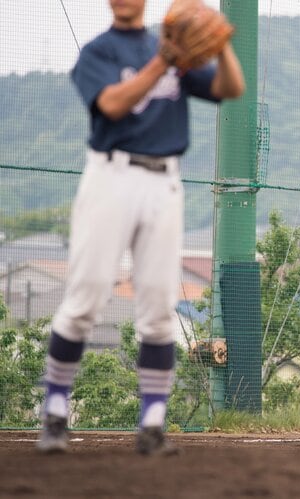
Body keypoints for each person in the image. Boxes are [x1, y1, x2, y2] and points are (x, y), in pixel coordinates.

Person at [36, 0, 245, 455]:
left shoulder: (168, 47)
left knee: (157, 305)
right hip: (111, 177)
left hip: (164, 182)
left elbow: (232, 88)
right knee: (86, 295)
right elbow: (111, 104)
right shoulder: (100, 52)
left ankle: (152, 424)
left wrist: (222, 44)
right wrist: (163, 63)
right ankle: (54, 414)